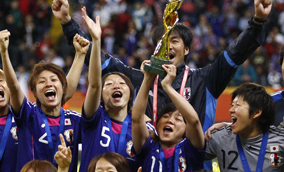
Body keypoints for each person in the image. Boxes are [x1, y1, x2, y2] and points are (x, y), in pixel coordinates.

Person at [52, 0, 272, 131]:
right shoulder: (138, 80)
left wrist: (258, 20)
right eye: (161, 41)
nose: (167, 45)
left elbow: (237, 51)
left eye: (174, 40)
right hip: (148, 170)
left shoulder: (205, 79)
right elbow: (97, 58)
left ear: (186, 50)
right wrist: (67, 23)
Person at [0, 29, 87, 172]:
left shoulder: (74, 120)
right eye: (42, 81)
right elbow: (14, 87)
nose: (48, 84)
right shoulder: (28, 114)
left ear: (62, 88)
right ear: (35, 93)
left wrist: (80, 55)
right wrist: (4, 52)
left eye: (54, 80)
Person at [71, 9, 141, 172]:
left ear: (131, 94)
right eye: (109, 84)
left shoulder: (140, 129)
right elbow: (94, 84)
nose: (115, 85)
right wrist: (96, 41)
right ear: (101, 97)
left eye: (121, 83)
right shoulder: (94, 120)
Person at [132, 60, 205, 172]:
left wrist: (168, 87)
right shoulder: (148, 147)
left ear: (185, 129)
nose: (170, 120)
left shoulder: (190, 149)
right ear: (157, 124)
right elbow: (137, 118)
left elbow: (194, 121)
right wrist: (147, 79)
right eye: (165, 117)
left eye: (178, 118)